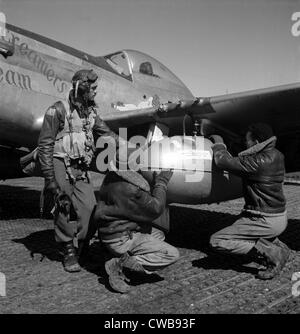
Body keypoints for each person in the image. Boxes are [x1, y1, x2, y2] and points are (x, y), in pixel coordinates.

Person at [38, 69, 121, 273]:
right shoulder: (57, 110)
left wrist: (131, 146)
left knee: (90, 208)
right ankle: (67, 249)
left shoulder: (91, 112)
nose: (95, 92)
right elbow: (45, 145)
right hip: (59, 163)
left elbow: (107, 133)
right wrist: (50, 180)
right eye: (92, 89)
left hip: (81, 167)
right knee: (63, 205)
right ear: (82, 88)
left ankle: (82, 246)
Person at [209, 123, 290, 280]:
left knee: (217, 240)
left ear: (257, 142)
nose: (246, 143)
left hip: (265, 220)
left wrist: (218, 143)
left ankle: (273, 254)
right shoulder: (278, 154)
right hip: (280, 215)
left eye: (248, 140)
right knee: (239, 227)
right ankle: (278, 245)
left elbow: (222, 161)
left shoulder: (256, 162)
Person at [94, 168, 179, 293]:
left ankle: (113, 253)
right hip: (121, 238)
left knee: (159, 235)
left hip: (110, 233)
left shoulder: (111, 177)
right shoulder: (132, 189)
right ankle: (119, 265)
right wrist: (161, 182)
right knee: (171, 254)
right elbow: (156, 208)